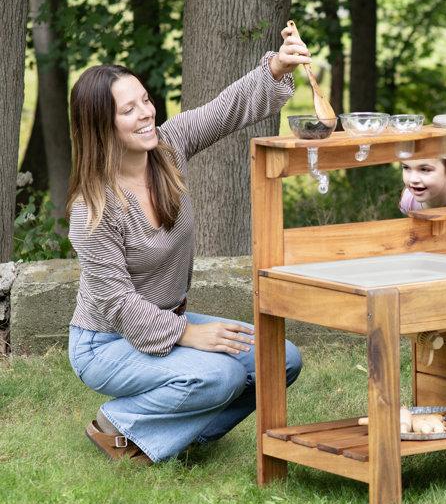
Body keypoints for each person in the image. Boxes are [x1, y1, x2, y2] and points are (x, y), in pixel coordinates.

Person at [67, 26, 308, 465]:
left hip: (167, 321)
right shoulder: (93, 211)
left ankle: (185, 436)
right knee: (220, 375)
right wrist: (189, 334)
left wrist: (277, 67)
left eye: (145, 100)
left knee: (281, 358)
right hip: (106, 342)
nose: (146, 114)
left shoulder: (168, 148)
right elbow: (118, 304)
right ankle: (116, 424)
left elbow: (224, 110)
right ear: (100, 126)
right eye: (129, 110)